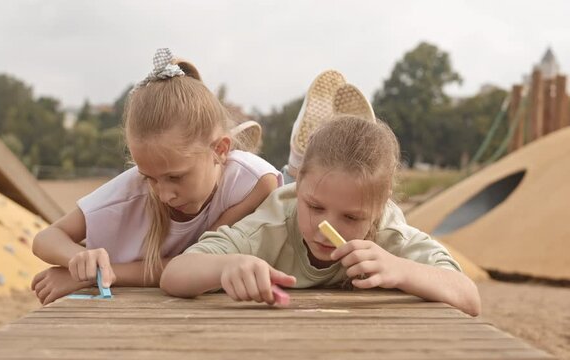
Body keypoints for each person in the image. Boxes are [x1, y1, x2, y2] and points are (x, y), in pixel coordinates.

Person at [160, 115, 481, 316]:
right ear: (298, 187)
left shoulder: (388, 232)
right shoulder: (271, 224)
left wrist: (401, 269)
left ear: (379, 208)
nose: (327, 228)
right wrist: (227, 266)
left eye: (352, 217)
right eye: (314, 207)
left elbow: (468, 296)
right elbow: (175, 274)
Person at [31, 48, 282, 305]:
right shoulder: (130, 190)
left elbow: (196, 261)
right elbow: (46, 238)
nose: (163, 194)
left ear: (219, 149)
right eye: (149, 177)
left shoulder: (254, 182)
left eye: (175, 177)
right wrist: (78, 259)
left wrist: (101, 275)